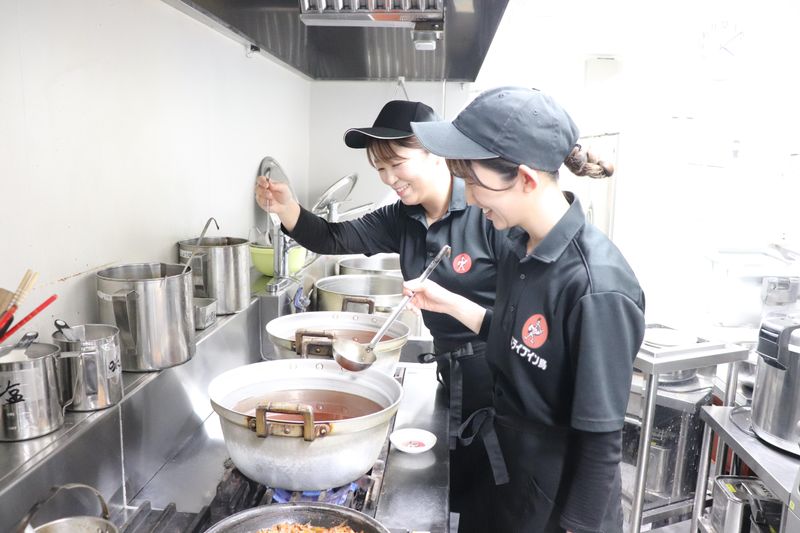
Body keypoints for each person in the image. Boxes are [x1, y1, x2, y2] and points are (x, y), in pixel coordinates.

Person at [255, 100, 509, 531]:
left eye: (397, 164)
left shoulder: (485, 210)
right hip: (452, 372)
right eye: (379, 168)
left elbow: (523, 310)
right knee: (462, 498)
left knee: (492, 501)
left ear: (435, 152)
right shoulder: (402, 217)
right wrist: (287, 208)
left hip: (500, 381)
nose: (389, 179)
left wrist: (453, 304)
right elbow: (334, 237)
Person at [405, 87, 646, 532]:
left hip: (561, 507)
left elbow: (600, 442)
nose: (470, 198)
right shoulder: (520, 247)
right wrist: (451, 304)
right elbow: (523, 343)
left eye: (474, 182)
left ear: (525, 179)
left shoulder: (597, 287)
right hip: (509, 478)